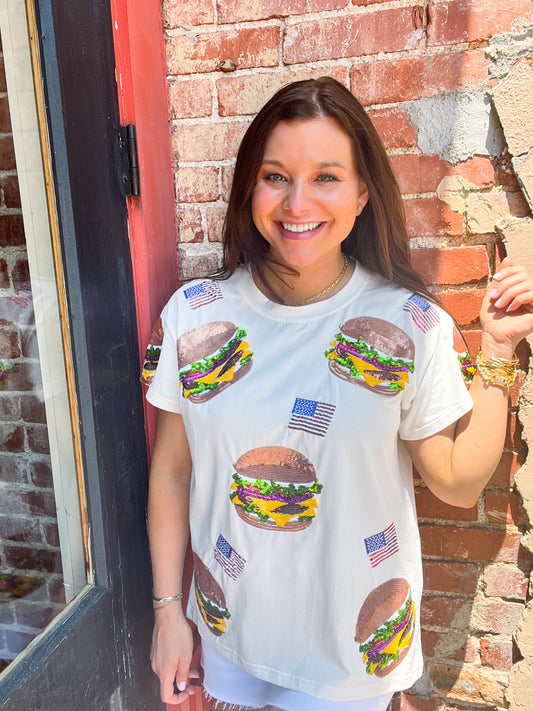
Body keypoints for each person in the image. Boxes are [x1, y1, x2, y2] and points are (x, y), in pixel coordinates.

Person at [144, 77, 533, 711]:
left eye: (326, 177)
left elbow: (458, 483)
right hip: (226, 639)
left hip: (350, 667)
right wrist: (167, 614)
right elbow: (171, 472)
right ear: (249, 189)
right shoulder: (191, 317)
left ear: (362, 195)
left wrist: (495, 354)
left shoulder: (409, 325)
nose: (297, 202)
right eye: (276, 175)